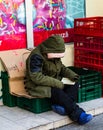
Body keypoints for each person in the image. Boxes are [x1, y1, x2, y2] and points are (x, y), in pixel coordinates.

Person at [25, 35, 93, 125]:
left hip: (53, 80)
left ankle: (62, 107)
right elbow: (36, 77)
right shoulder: (36, 57)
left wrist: (73, 75)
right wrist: (58, 83)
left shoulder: (54, 55)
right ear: (49, 50)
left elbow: (61, 68)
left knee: (74, 84)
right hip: (36, 86)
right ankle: (78, 115)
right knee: (56, 90)